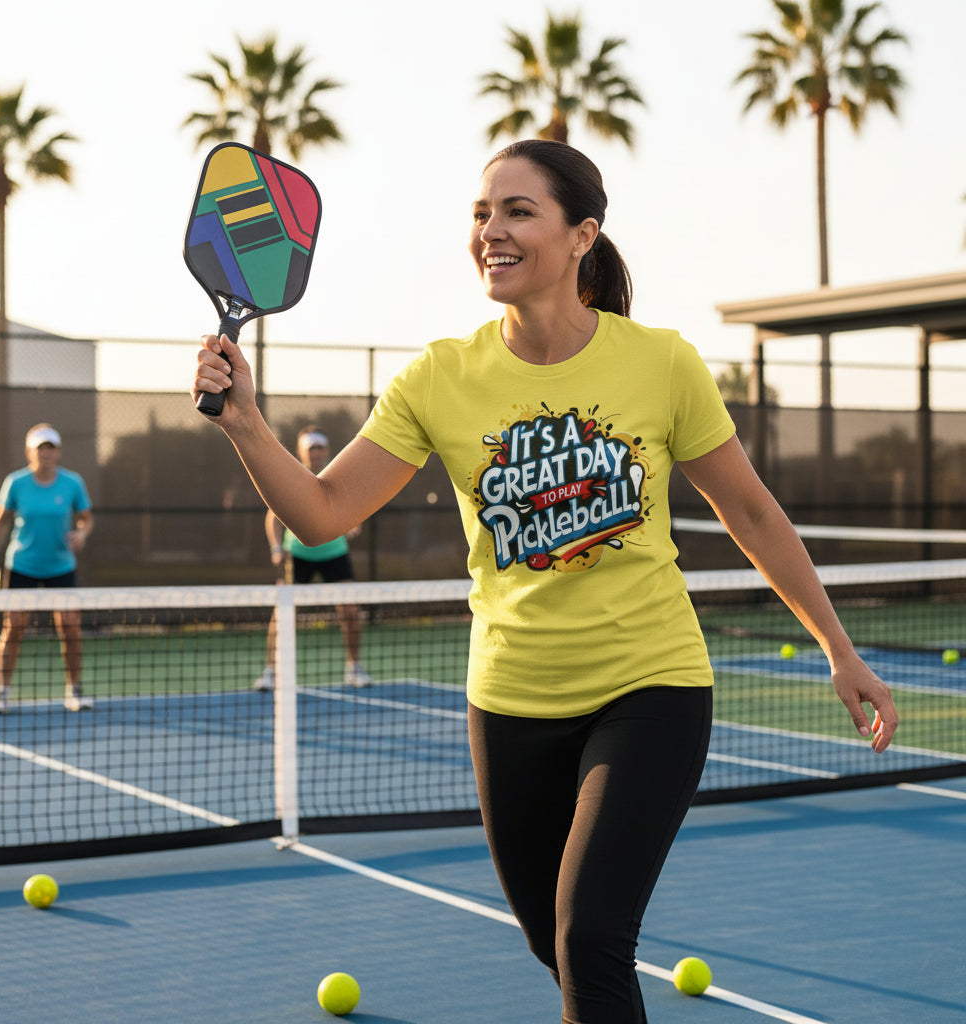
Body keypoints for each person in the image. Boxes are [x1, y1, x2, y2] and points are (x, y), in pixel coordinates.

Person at [192, 140, 898, 1024]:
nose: (491, 230)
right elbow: (326, 513)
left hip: (652, 686)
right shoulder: (438, 377)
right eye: (482, 214)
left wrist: (839, 646)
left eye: (518, 211)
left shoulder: (664, 363)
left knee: (591, 939)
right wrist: (247, 425)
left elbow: (753, 515)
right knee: (556, 949)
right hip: (511, 701)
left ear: (581, 236)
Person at [0, 423, 94, 715]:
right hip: (22, 566)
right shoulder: (16, 483)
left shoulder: (72, 483)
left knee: (70, 628)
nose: (46, 454)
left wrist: (81, 534)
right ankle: (1, 694)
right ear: (29, 452)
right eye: (40, 448)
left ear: (57, 452)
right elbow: (0, 520)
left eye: (51, 448)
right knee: (13, 629)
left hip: (61, 567)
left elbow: (85, 518)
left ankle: (74, 691)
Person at [253, 424, 372, 691]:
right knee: (282, 614)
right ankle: (271, 671)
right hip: (297, 555)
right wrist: (275, 548)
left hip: (334, 553)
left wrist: (352, 522)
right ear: (301, 451)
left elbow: (355, 510)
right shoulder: (292, 476)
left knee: (351, 611)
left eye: (319, 448)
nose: (315, 453)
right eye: (311, 448)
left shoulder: (338, 476)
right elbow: (272, 517)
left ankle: (354, 668)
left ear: (326, 450)